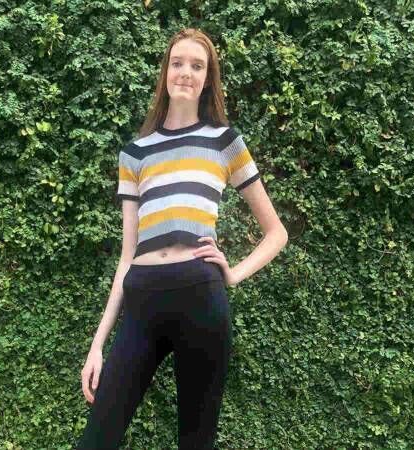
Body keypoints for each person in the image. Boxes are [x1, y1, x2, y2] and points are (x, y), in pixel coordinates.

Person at [76, 28, 288, 450]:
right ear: (165, 72)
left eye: (197, 65)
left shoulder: (225, 142)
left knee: (196, 441)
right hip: (142, 299)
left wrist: (233, 274)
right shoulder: (135, 153)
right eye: (177, 63)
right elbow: (126, 256)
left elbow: (276, 232)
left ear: (207, 78)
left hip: (200, 296)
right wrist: (97, 346)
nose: (185, 72)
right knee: (96, 439)